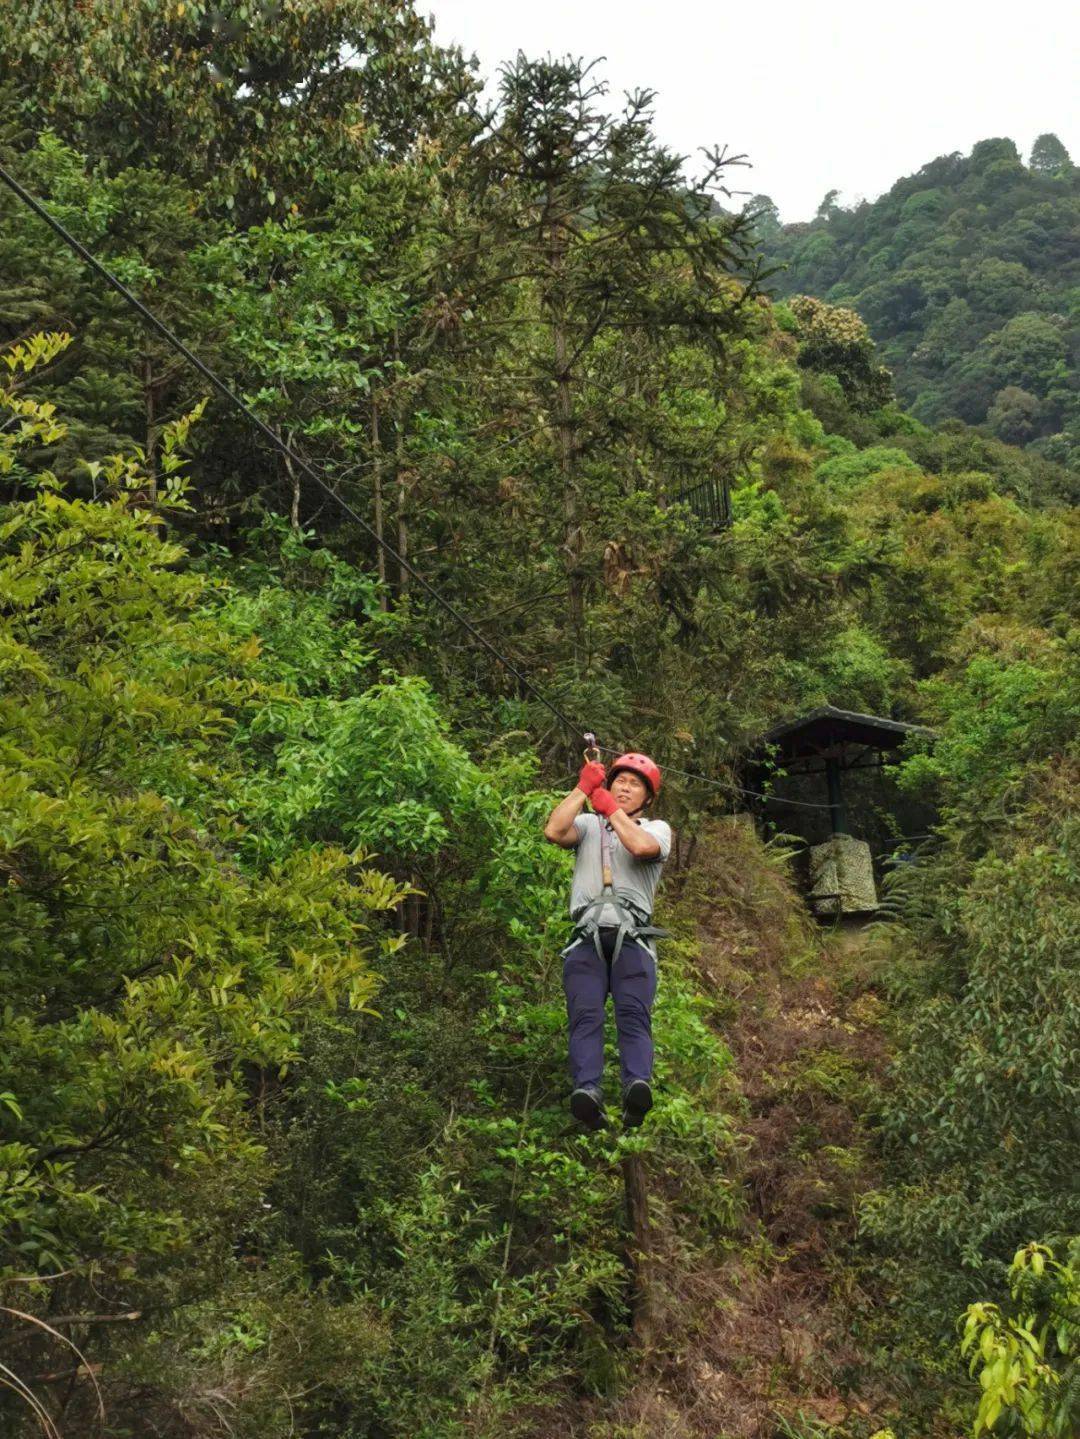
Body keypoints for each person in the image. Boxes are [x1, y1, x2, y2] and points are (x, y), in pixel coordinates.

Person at [543, 752, 672, 1130]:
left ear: (647, 798)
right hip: (586, 939)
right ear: (609, 784)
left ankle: (636, 1088)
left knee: (633, 1016)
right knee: (585, 1017)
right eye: (620, 781)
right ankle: (588, 1092)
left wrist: (610, 809)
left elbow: (641, 848)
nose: (625, 787)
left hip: (633, 939)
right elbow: (554, 831)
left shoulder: (657, 828)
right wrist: (583, 789)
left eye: (635, 784)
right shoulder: (587, 825)